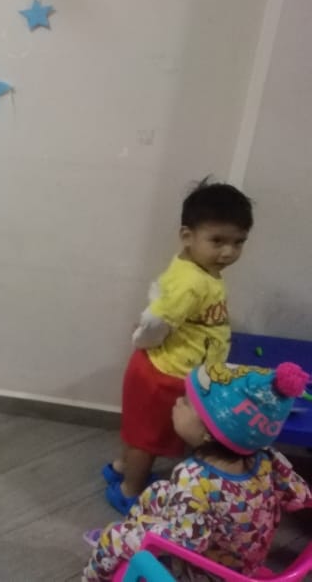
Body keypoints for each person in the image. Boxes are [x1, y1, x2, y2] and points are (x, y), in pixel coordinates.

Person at [84, 361, 312, 581]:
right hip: (243, 565)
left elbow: (183, 543)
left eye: (186, 401)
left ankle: (95, 576)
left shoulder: (192, 479)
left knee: (113, 536)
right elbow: (301, 494)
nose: (177, 402)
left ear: (209, 432)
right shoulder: (266, 460)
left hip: (204, 574)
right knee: (159, 490)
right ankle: (133, 533)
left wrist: (132, 539)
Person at [105, 180, 253, 514]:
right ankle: (129, 491)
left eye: (238, 242)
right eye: (217, 241)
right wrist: (141, 338)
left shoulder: (200, 269)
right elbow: (157, 322)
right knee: (147, 439)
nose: (228, 252)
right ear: (187, 236)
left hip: (171, 368)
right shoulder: (191, 281)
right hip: (164, 373)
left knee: (142, 430)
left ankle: (119, 468)